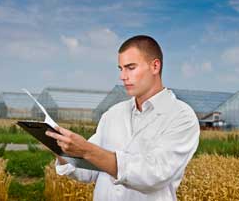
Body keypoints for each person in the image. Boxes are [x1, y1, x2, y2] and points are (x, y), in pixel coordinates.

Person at [46, 35, 200, 201]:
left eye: (130, 68)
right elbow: (88, 172)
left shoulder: (181, 117)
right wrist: (61, 150)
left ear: (155, 66)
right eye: (121, 69)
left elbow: (154, 175)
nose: (123, 76)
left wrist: (87, 150)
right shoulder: (113, 113)